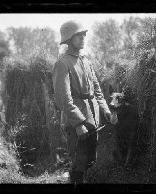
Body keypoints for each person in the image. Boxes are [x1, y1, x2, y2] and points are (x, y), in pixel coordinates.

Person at [52, 20, 114, 184]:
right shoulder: (62, 63)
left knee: (89, 161)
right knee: (78, 163)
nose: (82, 38)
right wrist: (78, 123)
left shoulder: (86, 61)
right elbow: (63, 97)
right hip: (76, 121)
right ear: (68, 39)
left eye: (83, 34)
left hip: (92, 118)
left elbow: (97, 90)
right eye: (77, 35)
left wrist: (105, 110)